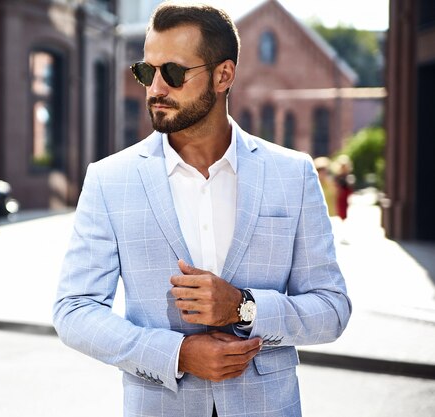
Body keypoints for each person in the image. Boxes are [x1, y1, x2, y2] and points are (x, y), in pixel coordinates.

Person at [53, 2, 351, 416]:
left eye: (173, 73)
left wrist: (243, 307)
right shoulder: (109, 179)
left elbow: (332, 310)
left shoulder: (292, 174)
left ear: (223, 75)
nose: (155, 88)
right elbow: (74, 310)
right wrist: (176, 354)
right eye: (146, 72)